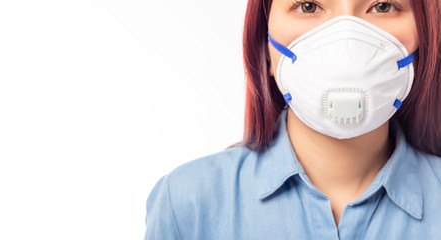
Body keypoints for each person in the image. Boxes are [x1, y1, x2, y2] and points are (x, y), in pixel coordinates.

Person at [144, 0, 441, 239]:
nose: (346, 44)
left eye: (383, 6)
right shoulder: (188, 203)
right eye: (308, 6)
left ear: (426, 37)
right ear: (265, 45)